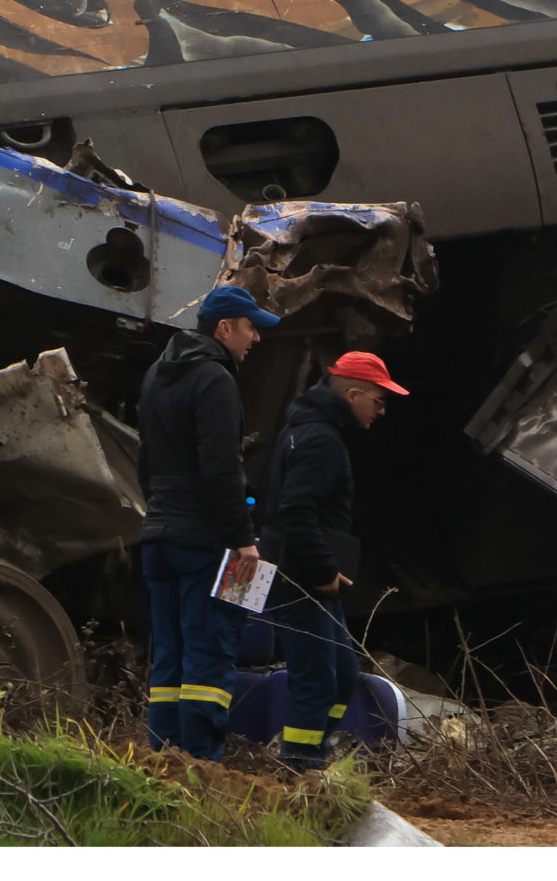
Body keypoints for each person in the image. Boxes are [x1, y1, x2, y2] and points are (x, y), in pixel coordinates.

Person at [136, 284, 282, 761]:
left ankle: (162, 762)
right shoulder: (216, 378)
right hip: (205, 544)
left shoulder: (157, 375)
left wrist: (159, 514)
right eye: (250, 328)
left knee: (169, 658)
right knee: (210, 653)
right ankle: (200, 769)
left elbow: (146, 462)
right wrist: (243, 539)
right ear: (224, 329)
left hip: (158, 537)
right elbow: (221, 468)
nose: (254, 339)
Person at [261, 349, 407, 770]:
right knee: (319, 680)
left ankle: (311, 753)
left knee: (342, 675)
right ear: (354, 393)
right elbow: (295, 509)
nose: (382, 410)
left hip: (304, 575)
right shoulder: (321, 440)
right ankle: (299, 767)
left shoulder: (301, 429)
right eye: (379, 400)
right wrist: (323, 570)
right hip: (301, 579)